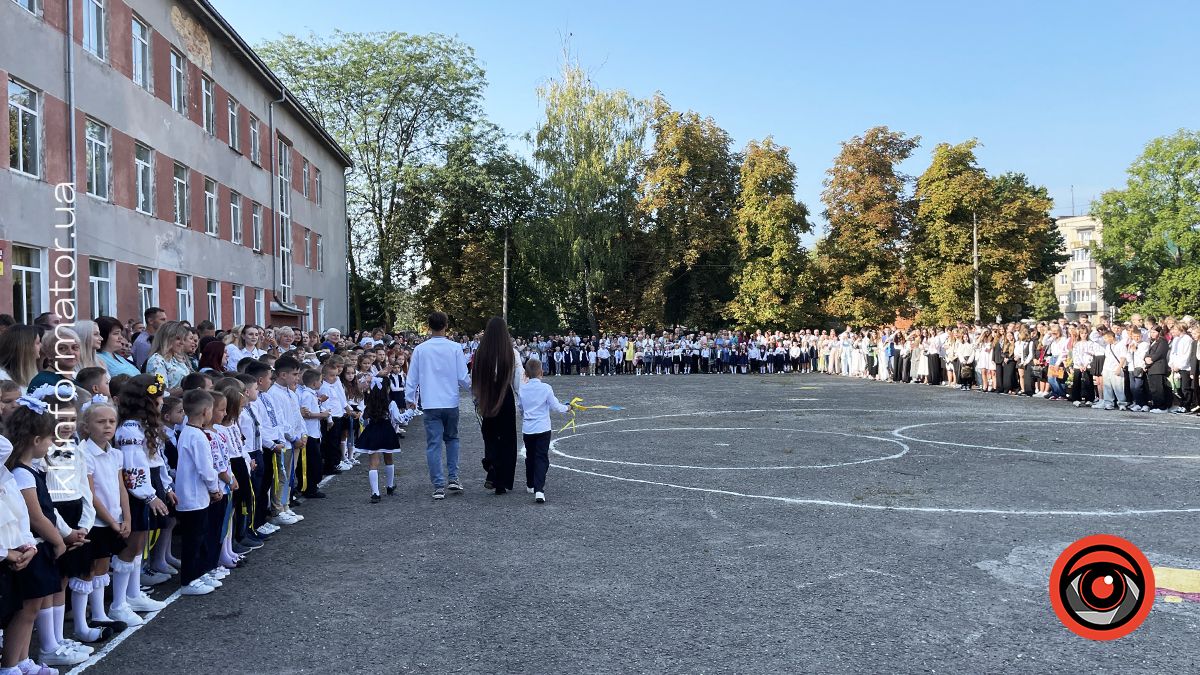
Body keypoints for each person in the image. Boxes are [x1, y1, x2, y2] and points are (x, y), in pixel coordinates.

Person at [110, 374, 172, 627]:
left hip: (150, 483)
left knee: (139, 545)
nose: (162, 401)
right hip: (137, 491)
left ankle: (133, 594)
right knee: (131, 546)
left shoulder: (144, 425)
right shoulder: (129, 429)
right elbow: (132, 467)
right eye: (159, 397)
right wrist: (149, 495)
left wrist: (165, 486)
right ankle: (118, 604)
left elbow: (157, 459)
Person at [77, 401, 131, 643]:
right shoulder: (83, 453)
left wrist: (126, 517)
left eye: (111, 421)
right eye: (100, 422)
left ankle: (100, 614)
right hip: (95, 522)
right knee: (86, 571)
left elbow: (121, 487)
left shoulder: (115, 453)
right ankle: (82, 623)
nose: (107, 426)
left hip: (114, 519)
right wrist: (111, 522)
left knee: (102, 566)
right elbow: (90, 494)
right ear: (86, 426)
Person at [405, 312, 471, 501]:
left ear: (428, 326)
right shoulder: (455, 348)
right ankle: (453, 477)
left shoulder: (420, 349)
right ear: (446, 326)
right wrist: (475, 391)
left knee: (433, 444)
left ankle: (438, 485)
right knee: (452, 439)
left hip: (430, 402)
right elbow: (462, 377)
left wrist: (409, 398)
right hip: (450, 401)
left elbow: (412, 377)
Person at [174, 390, 222, 597]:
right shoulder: (197, 436)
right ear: (205, 411)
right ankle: (188, 579)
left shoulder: (188, 432)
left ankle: (199, 572)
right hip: (193, 496)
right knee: (193, 539)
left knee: (199, 536)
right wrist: (214, 488)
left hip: (193, 495)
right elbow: (205, 468)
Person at [472, 317, 520, 495]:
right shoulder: (511, 353)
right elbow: (517, 380)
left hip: (488, 396)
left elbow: (475, 378)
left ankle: (492, 465)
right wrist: (522, 402)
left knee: (490, 435)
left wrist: (477, 398)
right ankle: (502, 481)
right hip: (505, 396)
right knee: (507, 438)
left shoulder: (480, 353)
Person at [518, 358, 569, 504]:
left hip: (528, 429)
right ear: (541, 372)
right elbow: (556, 406)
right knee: (541, 458)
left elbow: (520, 408)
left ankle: (530, 484)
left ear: (526, 374)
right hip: (543, 428)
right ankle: (539, 489)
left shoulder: (522, 389)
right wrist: (568, 407)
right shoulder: (546, 388)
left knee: (530, 456)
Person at [355, 374, 413, 503]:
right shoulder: (391, 403)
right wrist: (410, 412)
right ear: (387, 389)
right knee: (389, 458)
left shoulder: (368, 402)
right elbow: (398, 419)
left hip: (372, 432)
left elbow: (363, 420)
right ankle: (390, 486)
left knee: (373, 463)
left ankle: (375, 493)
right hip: (387, 432)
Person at [132, 307, 167, 371]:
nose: (165, 323)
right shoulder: (143, 343)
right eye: (162, 319)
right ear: (150, 321)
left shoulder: (158, 338)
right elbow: (144, 369)